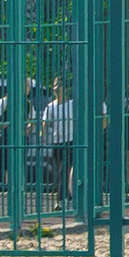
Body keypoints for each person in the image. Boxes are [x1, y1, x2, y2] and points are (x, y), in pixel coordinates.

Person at [43, 76, 76, 205]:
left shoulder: (72, 105)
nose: (57, 88)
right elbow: (45, 123)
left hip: (69, 141)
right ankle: (68, 196)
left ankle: (61, 200)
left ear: (66, 88)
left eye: (60, 85)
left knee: (64, 170)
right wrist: (43, 137)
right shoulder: (50, 106)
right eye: (56, 85)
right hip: (57, 142)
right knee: (60, 172)